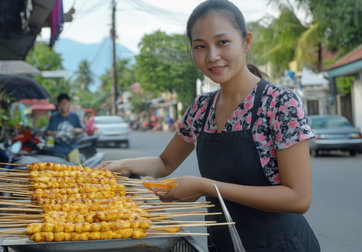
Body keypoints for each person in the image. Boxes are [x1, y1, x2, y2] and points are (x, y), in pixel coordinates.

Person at [95, 1, 320, 251]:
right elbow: (165, 163)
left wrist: (207, 187)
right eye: (200, 46)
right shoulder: (201, 109)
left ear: (246, 42)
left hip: (281, 245)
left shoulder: (281, 104)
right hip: (223, 245)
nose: (212, 56)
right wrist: (121, 166)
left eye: (222, 42)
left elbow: (299, 197)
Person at [46, 94, 84, 163]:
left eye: (66, 103)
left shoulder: (75, 116)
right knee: (58, 171)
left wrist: (76, 130)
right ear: (58, 105)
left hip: (72, 148)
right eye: (62, 103)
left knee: (76, 170)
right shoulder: (54, 117)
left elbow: (81, 130)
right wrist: (56, 133)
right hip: (58, 151)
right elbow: (48, 131)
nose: (64, 105)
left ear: (69, 104)